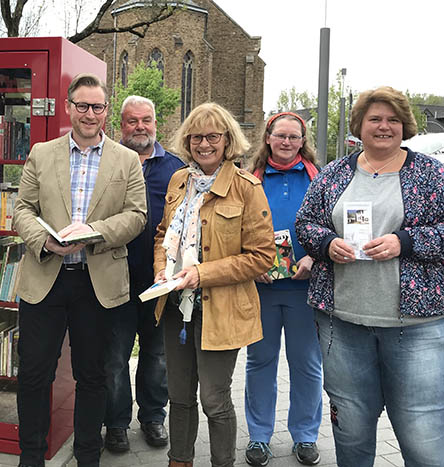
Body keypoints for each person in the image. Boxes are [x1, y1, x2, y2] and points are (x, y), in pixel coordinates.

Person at [295, 86, 444, 467]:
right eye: (375, 119)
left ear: (404, 126)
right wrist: (327, 244)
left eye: (392, 120)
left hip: (416, 326)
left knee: (422, 434)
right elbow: (306, 223)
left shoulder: (432, 174)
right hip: (342, 323)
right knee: (351, 431)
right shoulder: (334, 174)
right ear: (359, 126)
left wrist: (405, 242)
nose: (384, 126)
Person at [13, 73, 147, 467]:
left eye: (98, 107)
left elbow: (137, 215)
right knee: (35, 374)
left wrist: (94, 232)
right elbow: (23, 210)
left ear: (107, 111)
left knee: (93, 375)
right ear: (69, 107)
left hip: (97, 282)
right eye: (82, 106)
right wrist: (43, 240)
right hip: (46, 278)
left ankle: (88, 455)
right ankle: (31, 457)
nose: (90, 114)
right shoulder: (42, 152)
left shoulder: (126, 160)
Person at [153, 103, 275, 467]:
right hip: (175, 305)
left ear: (226, 141)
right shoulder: (179, 181)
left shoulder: (246, 187)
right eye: (196, 137)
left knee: (214, 399)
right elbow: (163, 235)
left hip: (220, 310)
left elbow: (261, 256)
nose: (204, 144)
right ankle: (180, 460)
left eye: (212, 137)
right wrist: (162, 269)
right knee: (178, 395)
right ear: (187, 140)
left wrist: (202, 274)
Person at [104, 95, 184, 453]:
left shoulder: (176, 169)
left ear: (156, 123)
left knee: (157, 355)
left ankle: (153, 417)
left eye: (146, 120)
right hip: (114, 280)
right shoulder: (108, 162)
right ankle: (117, 423)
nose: (140, 127)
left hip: (159, 282)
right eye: (132, 121)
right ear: (121, 125)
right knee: (115, 358)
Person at [244, 112, 322, 466]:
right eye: (281, 136)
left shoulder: (320, 180)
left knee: (306, 364)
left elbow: (333, 227)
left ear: (303, 141)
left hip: (306, 289)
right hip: (262, 289)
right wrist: (251, 263)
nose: (287, 142)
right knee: (260, 362)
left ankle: (305, 435)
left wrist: (316, 260)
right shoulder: (249, 180)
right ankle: (259, 437)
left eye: (294, 137)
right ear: (268, 138)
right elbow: (235, 231)